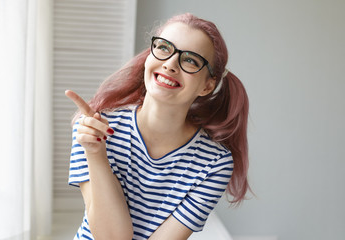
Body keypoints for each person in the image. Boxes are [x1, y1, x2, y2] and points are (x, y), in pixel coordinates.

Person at [66, 13, 250, 240]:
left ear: (207, 86)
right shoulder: (94, 129)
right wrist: (95, 153)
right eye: (164, 48)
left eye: (190, 60)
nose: (170, 64)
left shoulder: (214, 163)